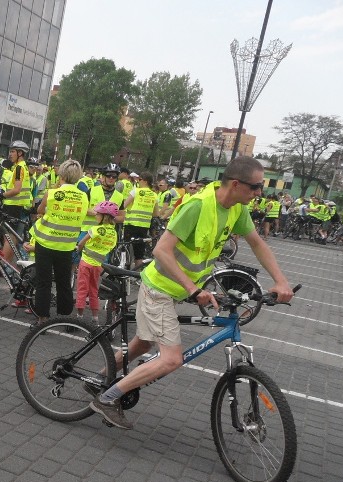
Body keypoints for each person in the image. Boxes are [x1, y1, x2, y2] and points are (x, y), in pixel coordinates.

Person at [89, 157, 293, 429]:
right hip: (159, 287)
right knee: (171, 359)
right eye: (256, 187)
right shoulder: (197, 207)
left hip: (177, 289)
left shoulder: (236, 209)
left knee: (143, 343)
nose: (259, 193)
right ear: (235, 184)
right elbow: (161, 250)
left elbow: (257, 243)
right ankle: (107, 397)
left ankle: (100, 378)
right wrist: (193, 288)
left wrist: (281, 281)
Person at [24, 159, 89, 324]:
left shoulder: (52, 193)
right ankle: (64, 315)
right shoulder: (83, 197)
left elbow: (39, 210)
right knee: (63, 281)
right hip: (67, 245)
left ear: (61, 174)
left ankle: (42, 318)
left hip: (45, 243)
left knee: (44, 282)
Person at [76, 200, 119, 322]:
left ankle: (79, 316)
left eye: (98, 214)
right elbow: (110, 247)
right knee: (94, 290)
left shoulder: (95, 229)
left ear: (104, 216)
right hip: (98, 265)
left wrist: (79, 250)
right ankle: (95, 318)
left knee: (82, 288)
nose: (95, 215)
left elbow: (81, 243)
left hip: (86, 262)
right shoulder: (113, 233)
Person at [0, 140, 32, 263]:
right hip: (16, 206)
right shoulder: (23, 167)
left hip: (12, 206)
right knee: (10, 236)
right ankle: (6, 262)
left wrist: (1, 195)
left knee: (9, 236)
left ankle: (4, 263)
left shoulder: (19, 167)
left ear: (20, 153)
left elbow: (17, 189)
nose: (10, 154)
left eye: (13, 151)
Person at [122, 172, 160, 269]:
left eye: (139, 180)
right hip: (144, 226)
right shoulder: (154, 195)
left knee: (125, 247)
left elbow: (124, 206)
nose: (138, 181)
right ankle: (136, 274)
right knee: (139, 253)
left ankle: (124, 270)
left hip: (131, 224)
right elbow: (156, 214)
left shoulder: (136, 191)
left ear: (145, 181)